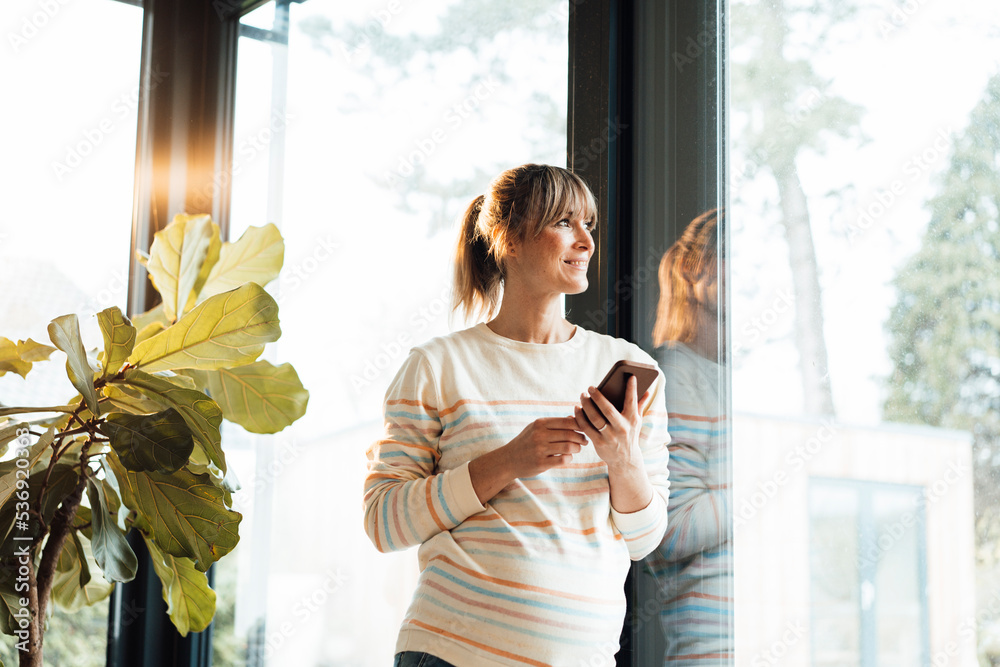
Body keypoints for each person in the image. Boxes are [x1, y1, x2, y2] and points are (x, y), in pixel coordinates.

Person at [363, 164, 671, 667]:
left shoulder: (629, 369)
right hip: (452, 653)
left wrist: (622, 459)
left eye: (588, 225)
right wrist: (507, 461)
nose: (586, 242)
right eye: (566, 223)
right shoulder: (437, 366)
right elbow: (383, 522)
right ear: (508, 238)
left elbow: (644, 539)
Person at [643, 209, 733, 665]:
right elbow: (669, 529)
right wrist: (777, 482)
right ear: (692, 269)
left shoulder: (727, 383)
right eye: (734, 257)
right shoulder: (677, 377)